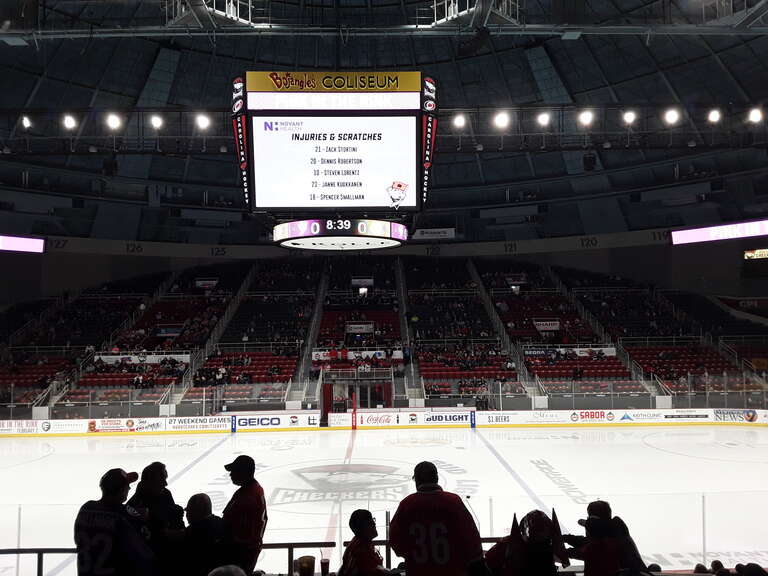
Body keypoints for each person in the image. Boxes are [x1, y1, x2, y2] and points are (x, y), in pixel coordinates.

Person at [389, 461, 484, 576]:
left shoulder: (407, 504)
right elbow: (472, 541)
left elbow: (396, 542)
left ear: (417, 481)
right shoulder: (453, 502)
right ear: (437, 478)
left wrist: (412, 554)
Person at [74, 468, 154, 576]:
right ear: (121, 490)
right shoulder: (123, 514)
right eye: (127, 486)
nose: (130, 488)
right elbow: (144, 544)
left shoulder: (86, 508)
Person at [126, 462, 184, 570]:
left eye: (165, 479)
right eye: (161, 479)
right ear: (148, 482)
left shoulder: (165, 493)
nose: (165, 483)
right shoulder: (135, 506)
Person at [563, 500, 645, 572]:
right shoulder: (612, 531)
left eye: (590, 518)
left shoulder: (612, 534)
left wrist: (563, 551)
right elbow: (586, 542)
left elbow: (587, 551)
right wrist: (565, 538)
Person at [221, 455, 268, 574]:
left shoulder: (247, 497)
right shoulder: (254, 489)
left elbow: (236, 531)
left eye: (234, 471)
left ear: (243, 472)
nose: (230, 474)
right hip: (247, 551)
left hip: (241, 554)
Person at [182, 493, 225, 576]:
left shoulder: (193, 531)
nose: (187, 515)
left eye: (189, 511)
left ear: (198, 511)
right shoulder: (221, 522)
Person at [338, 509, 390, 576]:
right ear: (361, 528)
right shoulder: (361, 551)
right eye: (369, 522)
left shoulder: (359, 542)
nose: (374, 523)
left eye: (372, 519)